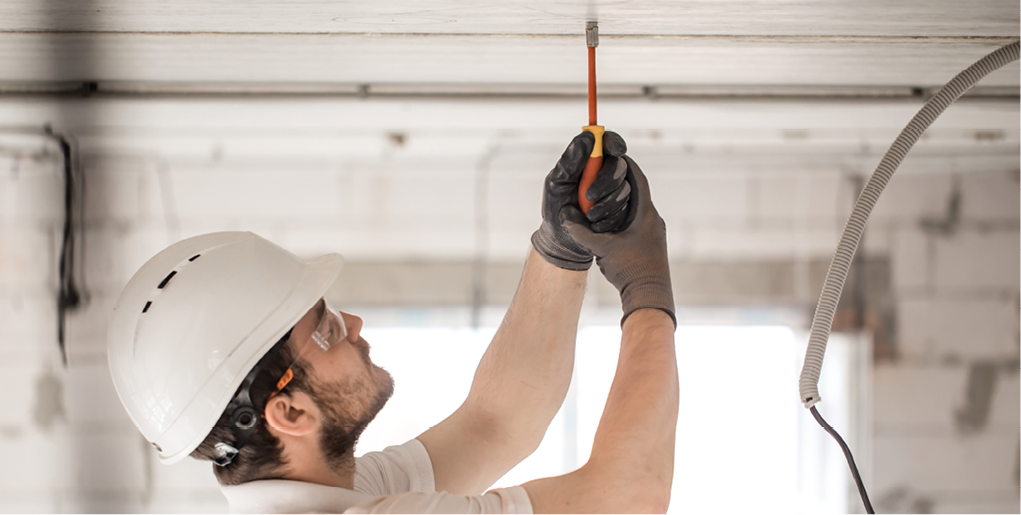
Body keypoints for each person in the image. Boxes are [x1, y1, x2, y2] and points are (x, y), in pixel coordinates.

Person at [107, 132, 678, 515]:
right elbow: (627, 496)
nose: (352, 323)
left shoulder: (331, 494)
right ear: (289, 411)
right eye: (325, 329)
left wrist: (561, 249)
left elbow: (497, 423)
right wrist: (646, 283)